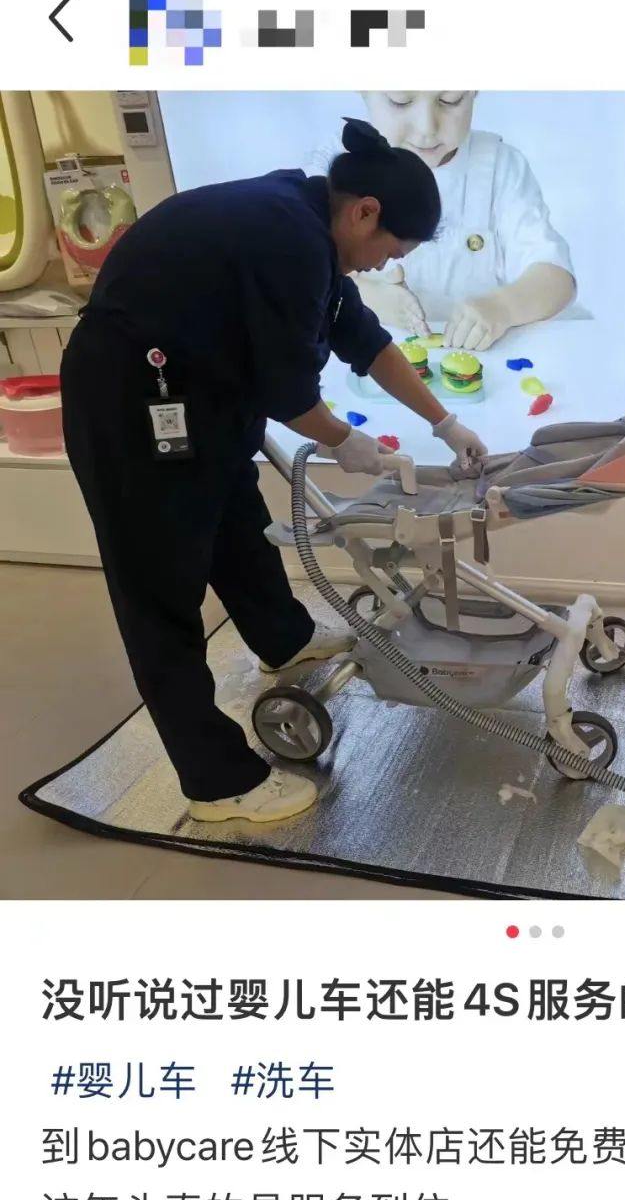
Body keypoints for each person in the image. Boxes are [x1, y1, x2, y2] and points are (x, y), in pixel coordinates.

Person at [60, 119, 486, 825]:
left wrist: (445, 422)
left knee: (237, 525)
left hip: (201, 399)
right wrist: (347, 443)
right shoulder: (286, 235)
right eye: (391, 251)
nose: (384, 266)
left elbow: (367, 341)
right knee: (159, 593)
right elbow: (288, 393)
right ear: (365, 212)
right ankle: (216, 781)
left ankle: (283, 641)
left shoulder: (312, 227)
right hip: (132, 403)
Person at [355, 91, 576, 350]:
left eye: (450, 100)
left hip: (485, 360)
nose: (427, 128)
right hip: (374, 356)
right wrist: (368, 297)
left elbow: (558, 280)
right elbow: (315, 277)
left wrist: (503, 307)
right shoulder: (341, 164)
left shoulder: (499, 166)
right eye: (400, 101)